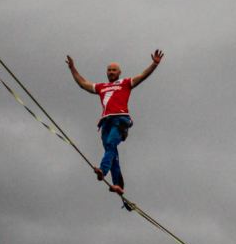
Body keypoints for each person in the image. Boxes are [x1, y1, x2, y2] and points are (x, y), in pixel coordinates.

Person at [65, 50, 164, 195]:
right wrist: (72, 69)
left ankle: (103, 171)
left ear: (119, 72)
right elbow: (82, 83)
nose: (111, 72)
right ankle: (117, 184)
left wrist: (154, 64)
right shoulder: (101, 87)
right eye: (109, 70)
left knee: (111, 144)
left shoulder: (125, 83)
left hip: (120, 120)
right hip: (106, 122)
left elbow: (142, 76)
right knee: (111, 152)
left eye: (114, 70)